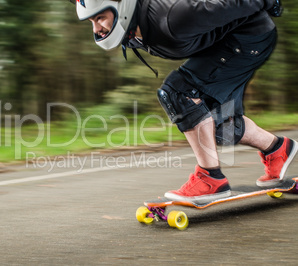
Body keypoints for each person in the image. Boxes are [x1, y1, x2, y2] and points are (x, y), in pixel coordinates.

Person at [70, 0, 297, 204]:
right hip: (227, 43)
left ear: (122, 7)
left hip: (248, 40)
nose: (96, 29)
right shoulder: (129, 30)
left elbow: (230, 4)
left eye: (100, 18)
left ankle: (210, 179)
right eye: (91, 21)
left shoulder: (173, 17)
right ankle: (277, 149)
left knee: (177, 92)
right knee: (218, 125)